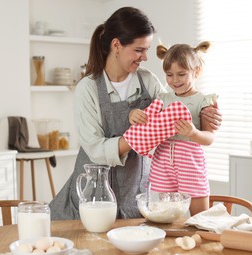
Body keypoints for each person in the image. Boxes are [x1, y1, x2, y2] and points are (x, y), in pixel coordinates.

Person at [49, 6, 222, 220]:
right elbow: (95, 149)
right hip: (95, 198)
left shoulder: (148, 81)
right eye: (139, 50)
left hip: (137, 197)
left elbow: (175, 112)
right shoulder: (88, 88)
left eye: (146, 50)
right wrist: (139, 137)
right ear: (116, 45)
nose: (145, 57)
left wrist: (205, 119)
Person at [129, 41, 216, 215]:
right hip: (162, 161)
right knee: (163, 214)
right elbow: (148, 122)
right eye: (169, 75)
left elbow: (209, 138)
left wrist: (193, 133)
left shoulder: (203, 101)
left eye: (181, 74)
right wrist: (133, 115)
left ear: (196, 72)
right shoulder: (162, 98)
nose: (175, 80)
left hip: (190, 161)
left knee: (201, 217)